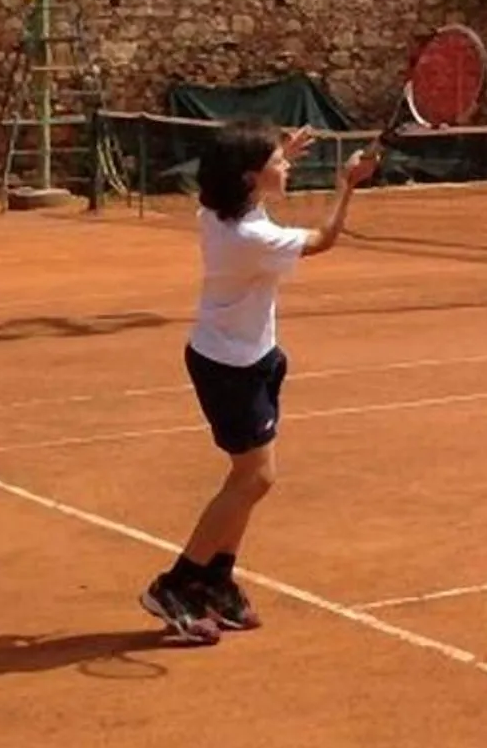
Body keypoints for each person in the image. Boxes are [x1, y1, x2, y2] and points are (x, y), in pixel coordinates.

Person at [142, 122, 377, 643]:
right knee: (256, 478)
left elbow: (253, 189)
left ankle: (216, 579)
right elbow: (324, 240)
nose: (287, 164)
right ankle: (175, 585)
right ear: (250, 178)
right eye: (279, 161)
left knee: (250, 476)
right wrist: (347, 185)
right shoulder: (252, 238)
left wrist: (274, 154)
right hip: (230, 367)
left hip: (252, 357)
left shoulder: (220, 211)